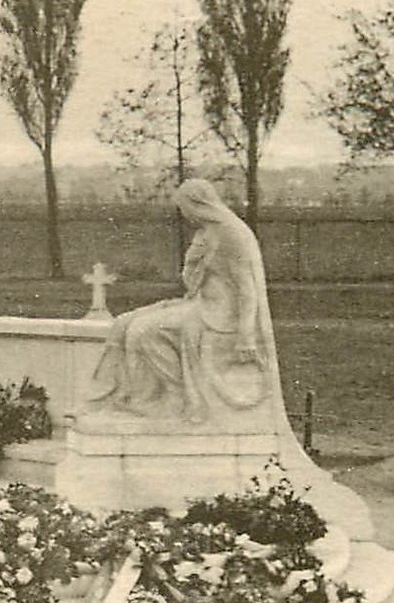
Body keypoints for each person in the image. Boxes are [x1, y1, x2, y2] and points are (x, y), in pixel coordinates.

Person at [85, 179, 275, 423]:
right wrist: (193, 264)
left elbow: (248, 289)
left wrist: (246, 335)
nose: (184, 214)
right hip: (199, 303)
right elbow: (193, 279)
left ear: (197, 204)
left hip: (220, 316)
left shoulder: (231, 233)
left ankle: (172, 399)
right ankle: (131, 397)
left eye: (184, 207)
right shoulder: (206, 232)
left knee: (145, 331)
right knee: (124, 323)